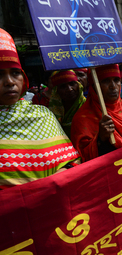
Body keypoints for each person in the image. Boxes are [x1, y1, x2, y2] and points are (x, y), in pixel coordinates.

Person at [0, 28, 80, 189]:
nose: (9, 81)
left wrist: (61, 175)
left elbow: (73, 161)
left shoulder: (43, 115)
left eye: (15, 73)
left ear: (24, 78)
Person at [71, 64, 122, 162]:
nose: (113, 86)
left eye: (116, 80)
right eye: (105, 81)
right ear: (94, 86)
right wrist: (100, 139)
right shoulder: (82, 118)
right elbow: (81, 159)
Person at [48, 70, 86, 137]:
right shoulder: (50, 114)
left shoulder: (88, 106)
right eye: (63, 86)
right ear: (56, 91)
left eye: (72, 84)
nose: (69, 89)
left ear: (78, 85)